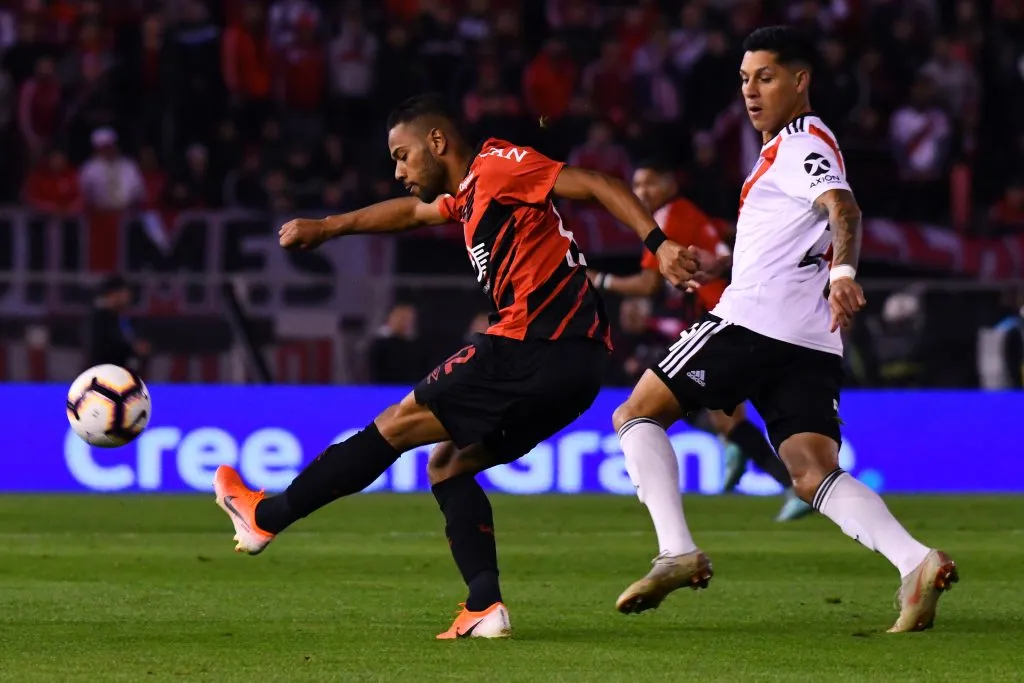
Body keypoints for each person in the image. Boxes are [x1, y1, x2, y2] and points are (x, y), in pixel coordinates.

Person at [211, 93, 698, 639]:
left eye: (402, 156)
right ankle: (484, 607)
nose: (398, 172)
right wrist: (328, 228)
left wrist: (658, 244)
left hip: (533, 343)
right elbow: (411, 214)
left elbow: (595, 183)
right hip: (579, 370)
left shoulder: (498, 165)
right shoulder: (467, 196)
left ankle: (266, 517)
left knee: (397, 423)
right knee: (448, 465)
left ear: (437, 142)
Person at [610, 27, 957, 633]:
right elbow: (798, 234)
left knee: (636, 413)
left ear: (800, 81)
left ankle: (676, 551)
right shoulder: (791, 148)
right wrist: (719, 265)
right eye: (745, 79)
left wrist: (843, 274)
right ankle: (915, 561)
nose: (750, 91)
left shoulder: (800, 142)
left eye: (765, 78)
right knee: (811, 471)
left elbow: (843, 208)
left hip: (754, 322)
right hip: (811, 339)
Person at [589, 159, 812, 521]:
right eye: (637, 185)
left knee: (666, 398)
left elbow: (647, 285)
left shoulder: (667, 217)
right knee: (707, 407)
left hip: (727, 318)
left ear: (669, 183)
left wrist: (597, 280)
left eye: (649, 183)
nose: (641, 192)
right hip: (740, 313)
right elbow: (725, 233)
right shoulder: (690, 212)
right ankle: (743, 449)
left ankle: (784, 478)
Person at [85, 275, 150, 371]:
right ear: (113, 294)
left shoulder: (122, 318)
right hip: (105, 374)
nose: (128, 297)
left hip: (121, 373)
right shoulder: (98, 318)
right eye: (125, 293)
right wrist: (132, 349)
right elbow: (99, 350)